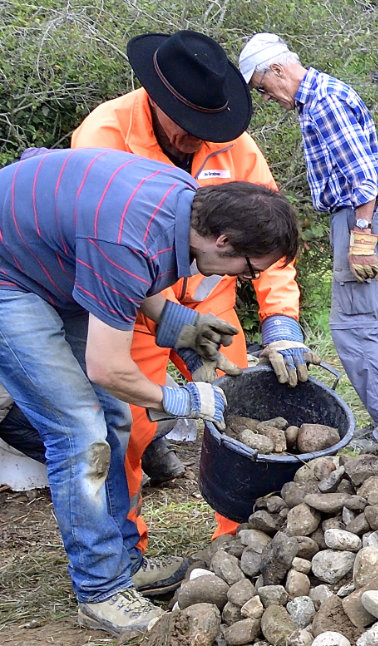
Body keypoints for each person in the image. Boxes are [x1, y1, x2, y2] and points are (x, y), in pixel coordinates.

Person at [0, 148, 300, 636]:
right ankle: (99, 591)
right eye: (247, 267)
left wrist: (177, 322)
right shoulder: (129, 235)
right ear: (222, 239)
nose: (242, 278)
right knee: (79, 431)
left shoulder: (185, 207)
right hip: (9, 280)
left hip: (57, 264)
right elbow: (106, 366)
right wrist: (183, 400)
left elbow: (127, 270)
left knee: (113, 420)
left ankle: (123, 564)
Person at [69, 30, 316, 547]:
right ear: (154, 101)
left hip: (211, 306)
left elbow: (269, 237)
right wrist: (166, 329)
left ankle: (241, 534)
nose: (198, 138)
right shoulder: (104, 136)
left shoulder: (235, 145)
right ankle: (125, 548)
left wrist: (281, 320)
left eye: (210, 127)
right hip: (134, 309)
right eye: (188, 127)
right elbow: (101, 249)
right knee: (128, 429)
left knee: (244, 408)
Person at [238, 33, 378, 427]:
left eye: (263, 88)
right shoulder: (319, 99)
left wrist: (362, 238)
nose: (266, 98)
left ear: (278, 70)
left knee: (354, 331)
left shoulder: (324, 103)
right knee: (364, 326)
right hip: (356, 218)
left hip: (358, 217)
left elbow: (365, 179)